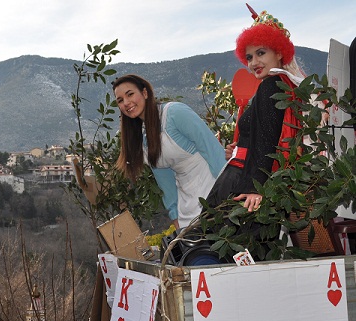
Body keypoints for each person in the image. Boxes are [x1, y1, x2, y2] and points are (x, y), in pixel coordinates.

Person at [206, 5, 305, 214]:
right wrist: (240, 148)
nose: (254, 63)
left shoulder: (271, 84)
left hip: (246, 183)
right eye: (249, 57)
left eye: (260, 53)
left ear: (279, 52)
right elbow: (271, 135)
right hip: (252, 178)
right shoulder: (288, 84)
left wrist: (254, 187)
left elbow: (267, 139)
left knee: (209, 242)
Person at [112, 74, 228, 229]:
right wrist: (175, 216)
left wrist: (228, 196)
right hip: (187, 208)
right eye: (120, 100)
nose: (126, 103)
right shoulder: (144, 140)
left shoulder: (175, 113)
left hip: (215, 193)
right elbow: (165, 182)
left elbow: (212, 150)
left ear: (145, 93)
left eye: (130, 94)